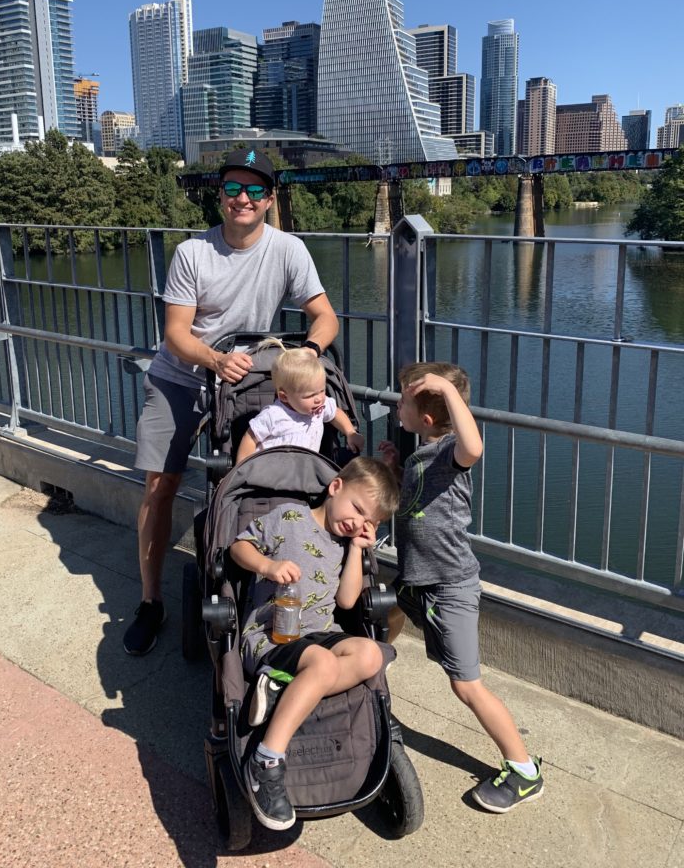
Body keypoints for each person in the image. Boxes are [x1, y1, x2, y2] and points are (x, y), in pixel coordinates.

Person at [124, 148, 339, 656]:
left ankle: (251, 572)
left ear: (269, 199)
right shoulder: (192, 253)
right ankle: (150, 602)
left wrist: (308, 352)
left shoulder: (289, 250)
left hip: (246, 382)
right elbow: (176, 332)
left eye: (256, 190)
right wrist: (214, 361)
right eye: (233, 189)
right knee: (161, 485)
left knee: (255, 475)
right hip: (183, 375)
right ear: (219, 196)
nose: (243, 198)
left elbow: (324, 316)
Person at [379, 362, 544, 814]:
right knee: (390, 609)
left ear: (428, 418)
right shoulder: (422, 454)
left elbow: (475, 445)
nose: (397, 406)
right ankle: (377, 663)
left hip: (448, 586)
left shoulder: (452, 450)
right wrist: (393, 469)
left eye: (404, 401)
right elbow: (413, 502)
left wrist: (445, 392)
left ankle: (525, 771)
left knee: (467, 686)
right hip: (418, 579)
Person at [230, 457, 400, 831]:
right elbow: (239, 548)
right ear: (336, 487)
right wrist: (267, 567)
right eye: (356, 509)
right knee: (322, 664)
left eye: (367, 521)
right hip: (273, 635)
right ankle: (266, 760)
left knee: (370, 654)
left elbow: (347, 602)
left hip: (319, 632)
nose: (356, 522)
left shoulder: (343, 544)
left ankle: (280, 686)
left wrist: (356, 548)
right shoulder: (289, 517)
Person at [234, 340, 364, 463]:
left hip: (303, 473)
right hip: (271, 473)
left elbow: (335, 413)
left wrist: (350, 432)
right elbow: (250, 438)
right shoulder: (273, 415)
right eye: (310, 396)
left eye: (322, 391)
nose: (318, 398)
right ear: (284, 397)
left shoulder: (320, 407)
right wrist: (241, 470)